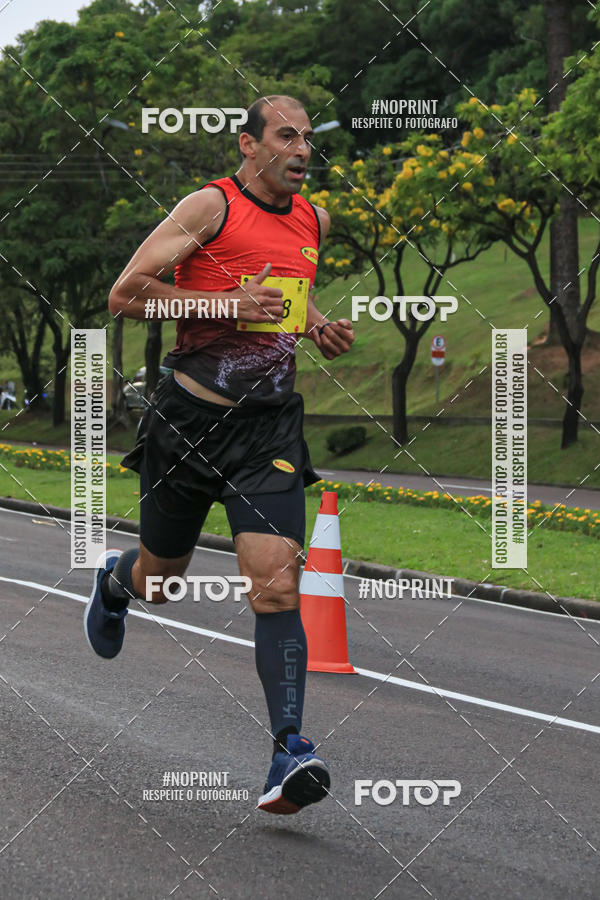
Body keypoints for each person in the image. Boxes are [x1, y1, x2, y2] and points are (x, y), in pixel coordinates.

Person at [84, 94, 354, 814]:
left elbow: (289, 293)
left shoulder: (313, 220)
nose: (302, 150)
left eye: (308, 138)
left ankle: (289, 750)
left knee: (276, 583)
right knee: (162, 580)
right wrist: (228, 305)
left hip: (267, 432)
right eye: (287, 136)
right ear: (248, 144)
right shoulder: (210, 206)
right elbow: (126, 294)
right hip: (187, 425)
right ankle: (118, 583)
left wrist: (318, 324)